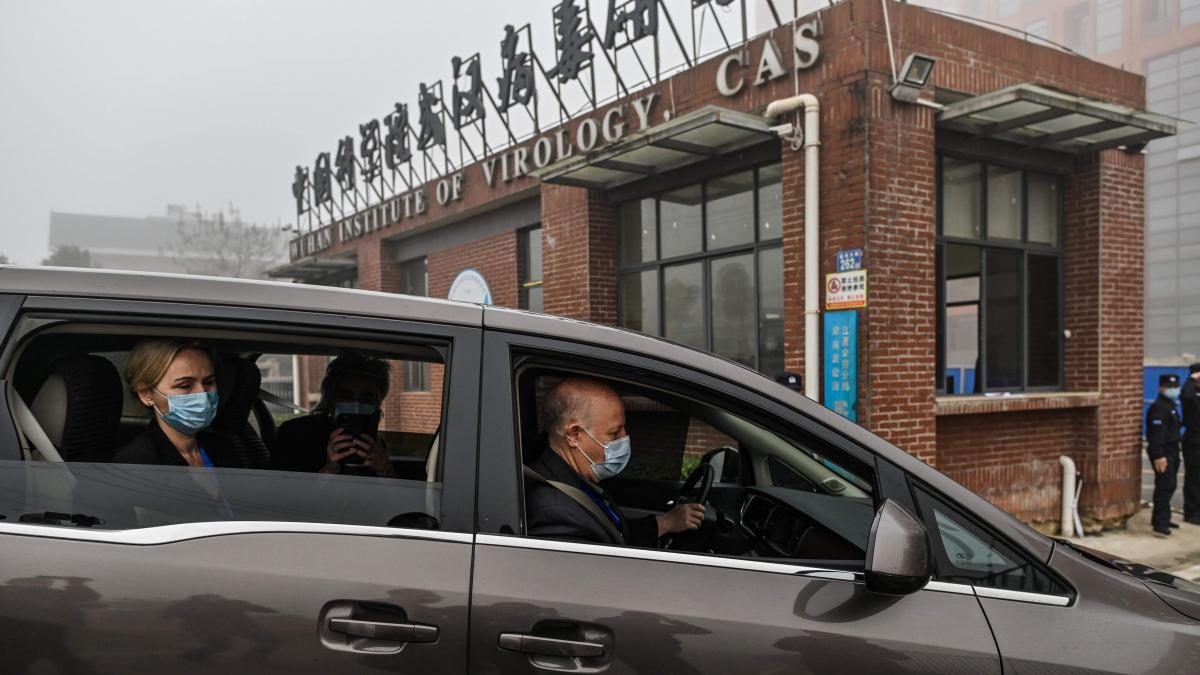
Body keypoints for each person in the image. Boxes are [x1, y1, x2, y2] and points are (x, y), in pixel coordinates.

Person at [525, 378, 704, 547]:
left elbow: (613, 531)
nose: (625, 439)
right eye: (614, 433)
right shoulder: (555, 512)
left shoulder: (577, 479)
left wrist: (665, 523)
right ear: (574, 435)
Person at [112, 339, 236, 468]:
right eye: (185, 385)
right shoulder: (136, 463)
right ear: (146, 394)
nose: (203, 394)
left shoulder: (224, 446)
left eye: (209, 382)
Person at [271, 353, 395, 477]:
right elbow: (281, 490)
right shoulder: (295, 432)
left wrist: (385, 470)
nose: (356, 405)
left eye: (366, 399)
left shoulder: (375, 442)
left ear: (377, 404)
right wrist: (328, 470)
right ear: (331, 398)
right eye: (346, 397)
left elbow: (393, 494)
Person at [1146, 373, 1183, 536]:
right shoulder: (1159, 407)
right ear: (1161, 387)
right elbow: (1155, 435)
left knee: (1170, 485)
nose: (1173, 390)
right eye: (1169, 387)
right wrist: (1158, 455)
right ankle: (1159, 523)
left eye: (1175, 387)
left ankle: (1164, 517)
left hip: (1173, 450)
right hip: (1164, 451)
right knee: (1164, 486)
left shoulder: (1170, 404)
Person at [1180, 364, 1200, 525]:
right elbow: (1186, 395)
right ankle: (1191, 512)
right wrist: (1191, 379)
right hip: (1193, 440)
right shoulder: (1190, 392)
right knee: (1193, 477)